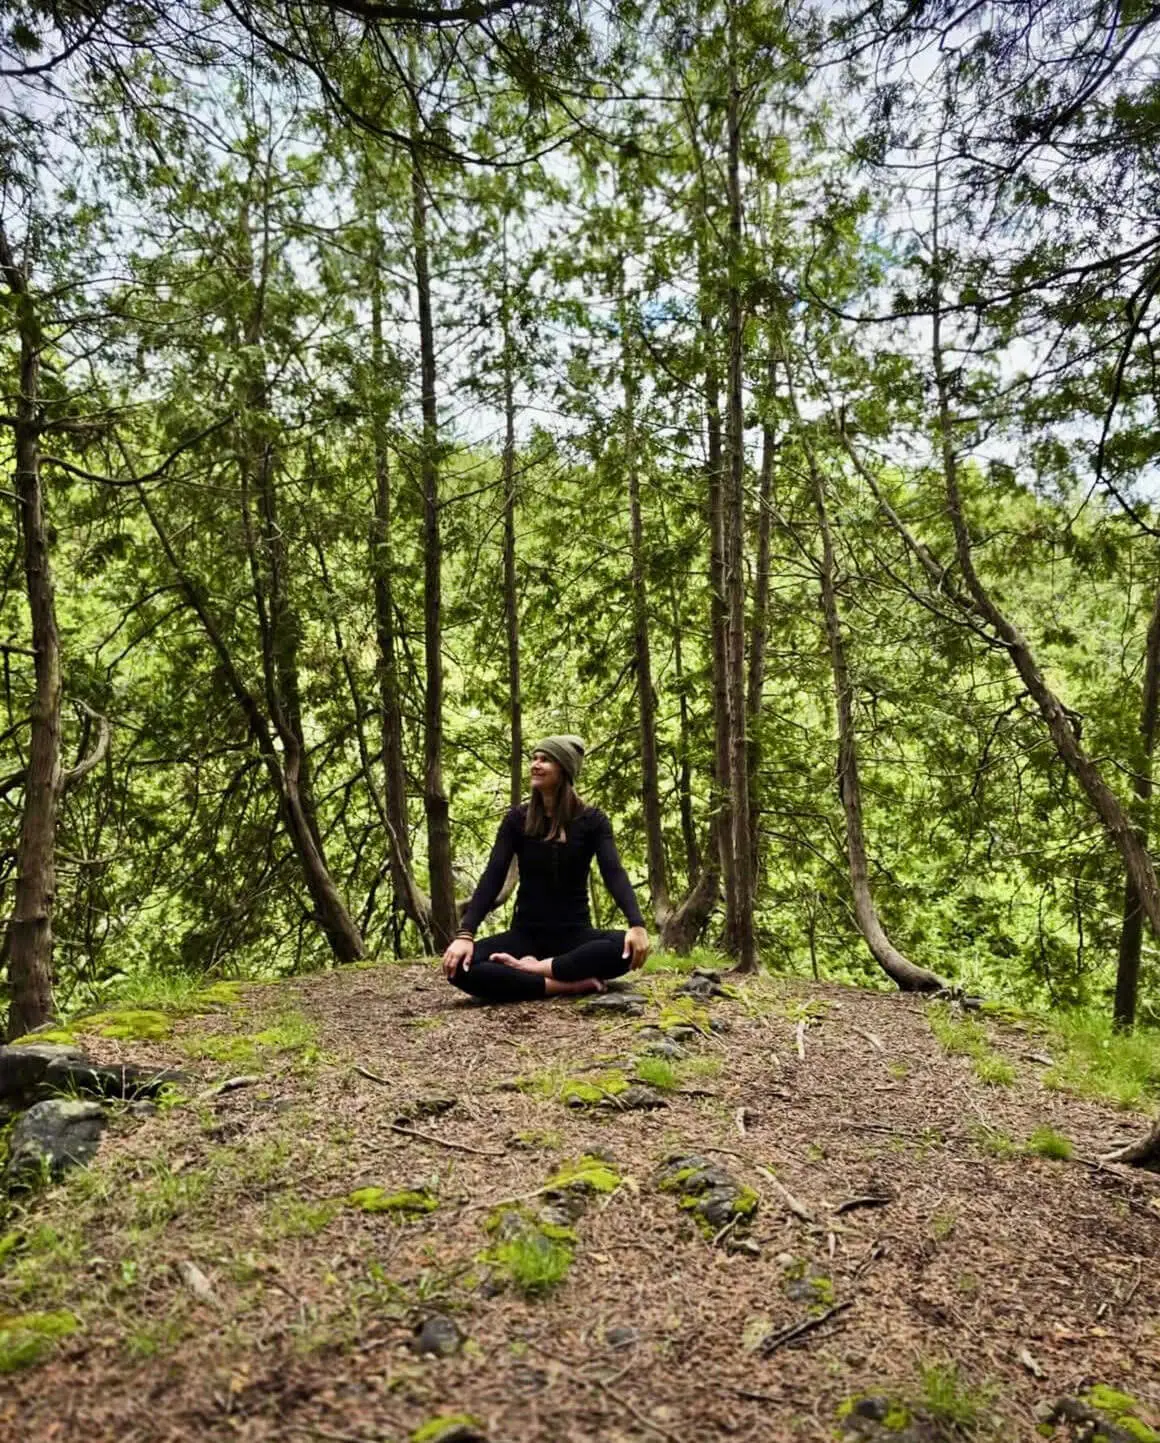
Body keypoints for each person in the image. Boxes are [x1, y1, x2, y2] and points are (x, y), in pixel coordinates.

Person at [442, 734, 650, 1002]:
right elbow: (492, 877)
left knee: (624, 949)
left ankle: (534, 971)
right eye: (534, 758)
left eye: (545, 760)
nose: (535, 765)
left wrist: (637, 924)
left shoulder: (592, 821)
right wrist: (465, 934)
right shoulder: (516, 820)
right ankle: (566, 985)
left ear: (564, 769)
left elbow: (613, 873)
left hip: (575, 936)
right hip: (525, 936)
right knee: (459, 967)